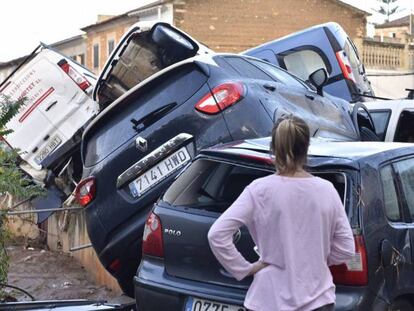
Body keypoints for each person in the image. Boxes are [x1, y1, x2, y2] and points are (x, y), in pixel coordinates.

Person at [208, 116, 355, 311]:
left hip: (268, 300)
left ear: (274, 148)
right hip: (318, 300)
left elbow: (217, 234)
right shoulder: (326, 190)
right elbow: (346, 248)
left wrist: (245, 268)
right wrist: (316, 259)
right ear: (306, 147)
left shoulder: (259, 190)